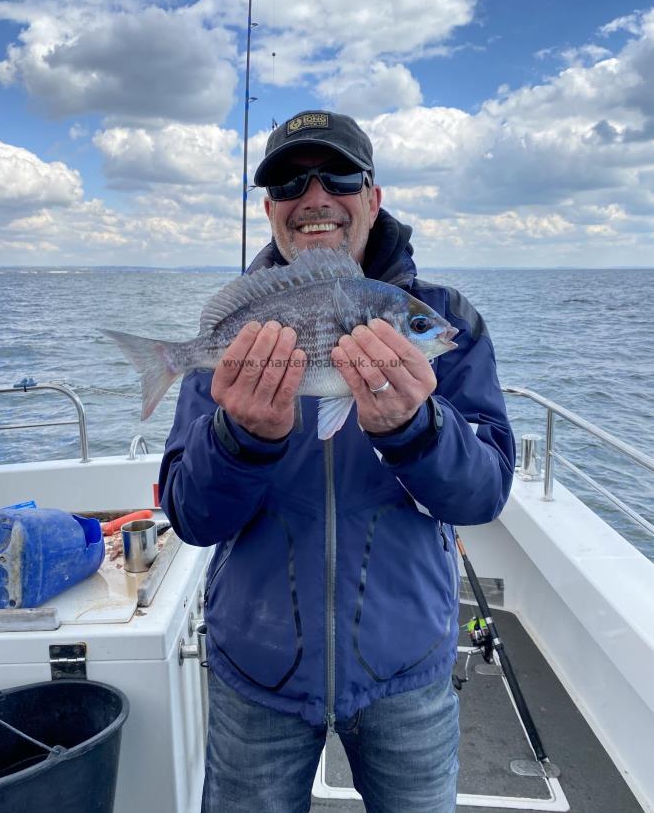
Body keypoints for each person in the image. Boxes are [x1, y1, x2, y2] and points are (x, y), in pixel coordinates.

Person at [159, 110, 515, 813]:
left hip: (407, 664)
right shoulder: (245, 337)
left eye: (340, 177)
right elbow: (192, 517)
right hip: (254, 669)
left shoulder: (450, 322)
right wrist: (243, 439)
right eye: (289, 182)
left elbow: (481, 495)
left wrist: (417, 430)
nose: (314, 196)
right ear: (269, 211)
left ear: (373, 198)